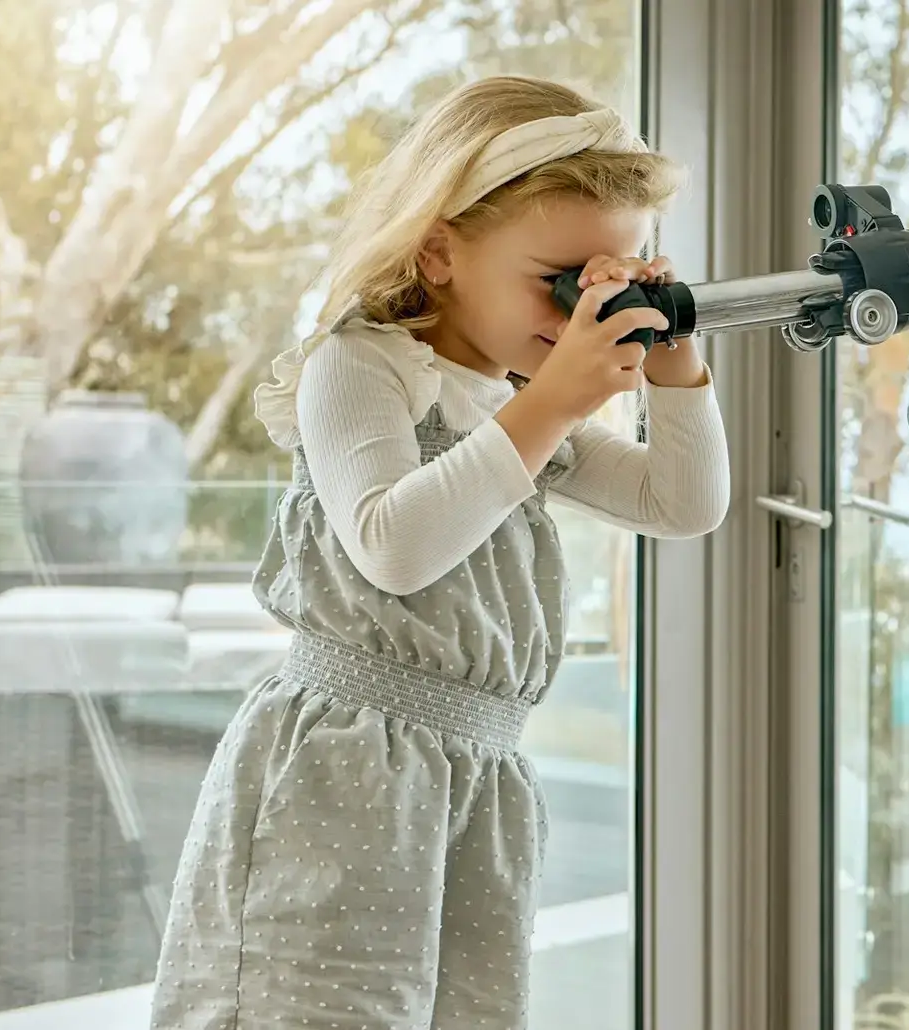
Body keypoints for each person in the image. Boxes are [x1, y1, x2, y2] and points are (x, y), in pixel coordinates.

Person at [147, 75, 730, 1028]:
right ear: (440, 250)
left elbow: (684, 502)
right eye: (559, 280)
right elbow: (394, 545)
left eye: (612, 284)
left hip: (476, 788)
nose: (586, 311)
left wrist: (675, 366)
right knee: (315, 1006)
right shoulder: (359, 365)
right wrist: (554, 403)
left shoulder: (512, 406)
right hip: (342, 774)